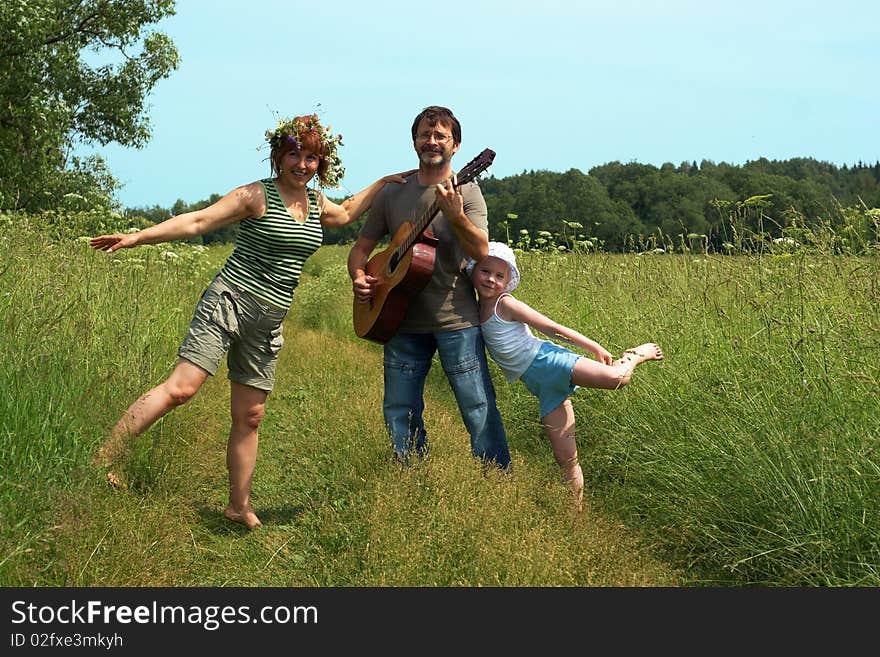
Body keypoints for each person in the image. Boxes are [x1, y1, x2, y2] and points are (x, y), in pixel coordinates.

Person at [90, 114, 414, 529]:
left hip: (269, 320)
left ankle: (238, 506)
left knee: (250, 416)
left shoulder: (316, 204)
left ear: (321, 163)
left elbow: (349, 210)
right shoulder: (255, 195)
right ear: (278, 157)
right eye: (294, 154)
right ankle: (102, 460)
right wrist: (137, 237)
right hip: (229, 301)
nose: (302, 164)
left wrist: (385, 182)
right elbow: (198, 220)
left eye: (311, 157)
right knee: (181, 389)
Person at [347, 106, 511, 469]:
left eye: (441, 136)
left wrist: (454, 214)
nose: (432, 141)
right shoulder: (392, 193)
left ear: (456, 146)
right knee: (399, 408)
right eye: (425, 134)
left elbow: (481, 250)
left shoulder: (467, 192)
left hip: (456, 320)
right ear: (415, 141)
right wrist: (359, 276)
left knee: (477, 405)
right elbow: (361, 248)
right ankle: (412, 475)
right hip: (399, 321)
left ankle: (498, 478)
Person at [467, 242, 664, 509]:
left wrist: (592, 345)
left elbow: (551, 328)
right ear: (473, 272)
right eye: (485, 271)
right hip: (540, 387)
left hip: (550, 362)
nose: (491, 279)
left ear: (508, 281)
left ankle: (635, 354)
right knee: (567, 460)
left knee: (617, 379)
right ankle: (575, 517)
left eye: (499, 275)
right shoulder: (474, 309)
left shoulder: (507, 304)